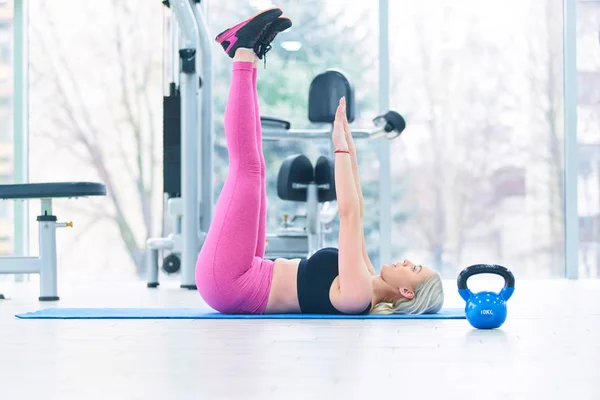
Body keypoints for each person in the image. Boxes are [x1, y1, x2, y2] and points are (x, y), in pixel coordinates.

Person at [195, 7, 445, 315]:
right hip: (249, 272)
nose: (408, 261)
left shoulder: (358, 296)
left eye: (415, 268)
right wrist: (348, 144)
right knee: (254, 169)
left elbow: (349, 214)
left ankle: (243, 51)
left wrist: (338, 150)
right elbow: (360, 209)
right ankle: (251, 51)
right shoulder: (365, 278)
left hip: (233, 285)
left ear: (406, 292)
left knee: (247, 168)